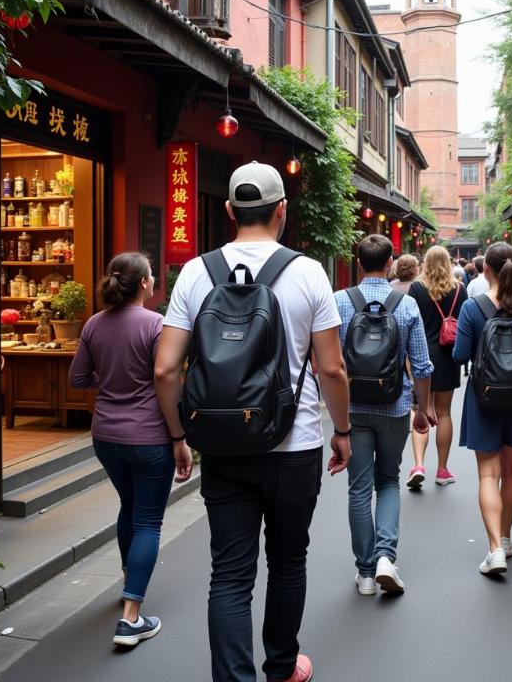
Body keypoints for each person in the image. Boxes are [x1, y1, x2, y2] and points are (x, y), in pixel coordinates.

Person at [154, 161, 351, 682]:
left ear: (228, 211)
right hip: (296, 442)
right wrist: (344, 432)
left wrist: (179, 435)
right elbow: (331, 368)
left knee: (230, 574)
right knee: (288, 561)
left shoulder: (196, 272)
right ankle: (282, 667)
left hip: (222, 444)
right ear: (282, 209)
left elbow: (166, 367)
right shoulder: (308, 272)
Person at [69, 252, 186, 647]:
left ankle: (127, 582)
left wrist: (112, 379)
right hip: (150, 437)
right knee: (148, 521)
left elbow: (78, 377)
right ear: (143, 284)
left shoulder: (93, 325)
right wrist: (179, 437)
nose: (153, 281)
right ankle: (131, 618)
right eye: (151, 276)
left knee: (128, 506)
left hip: (106, 437)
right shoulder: (156, 324)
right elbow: (166, 378)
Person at [335, 236, 435, 595]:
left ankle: (364, 573)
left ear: (359, 262)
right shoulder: (406, 306)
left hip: (353, 409)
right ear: (390, 262)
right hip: (394, 407)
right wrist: (422, 411)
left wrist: (336, 421)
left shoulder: (339, 302)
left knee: (358, 489)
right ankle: (384, 558)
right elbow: (422, 366)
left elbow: (330, 366)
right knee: (388, 481)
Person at [452, 242, 512, 575]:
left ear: (485, 269)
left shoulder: (472, 308)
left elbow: (460, 356)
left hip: (484, 399)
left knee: (487, 474)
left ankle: (493, 550)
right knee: (510, 473)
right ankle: (505, 538)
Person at [406, 245, 468, 487]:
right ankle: (442, 470)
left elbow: (411, 322)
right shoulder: (459, 289)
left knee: (421, 410)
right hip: (447, 354)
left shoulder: (417, 288)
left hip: (422, 355)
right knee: (443, 413)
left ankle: (419, 464)